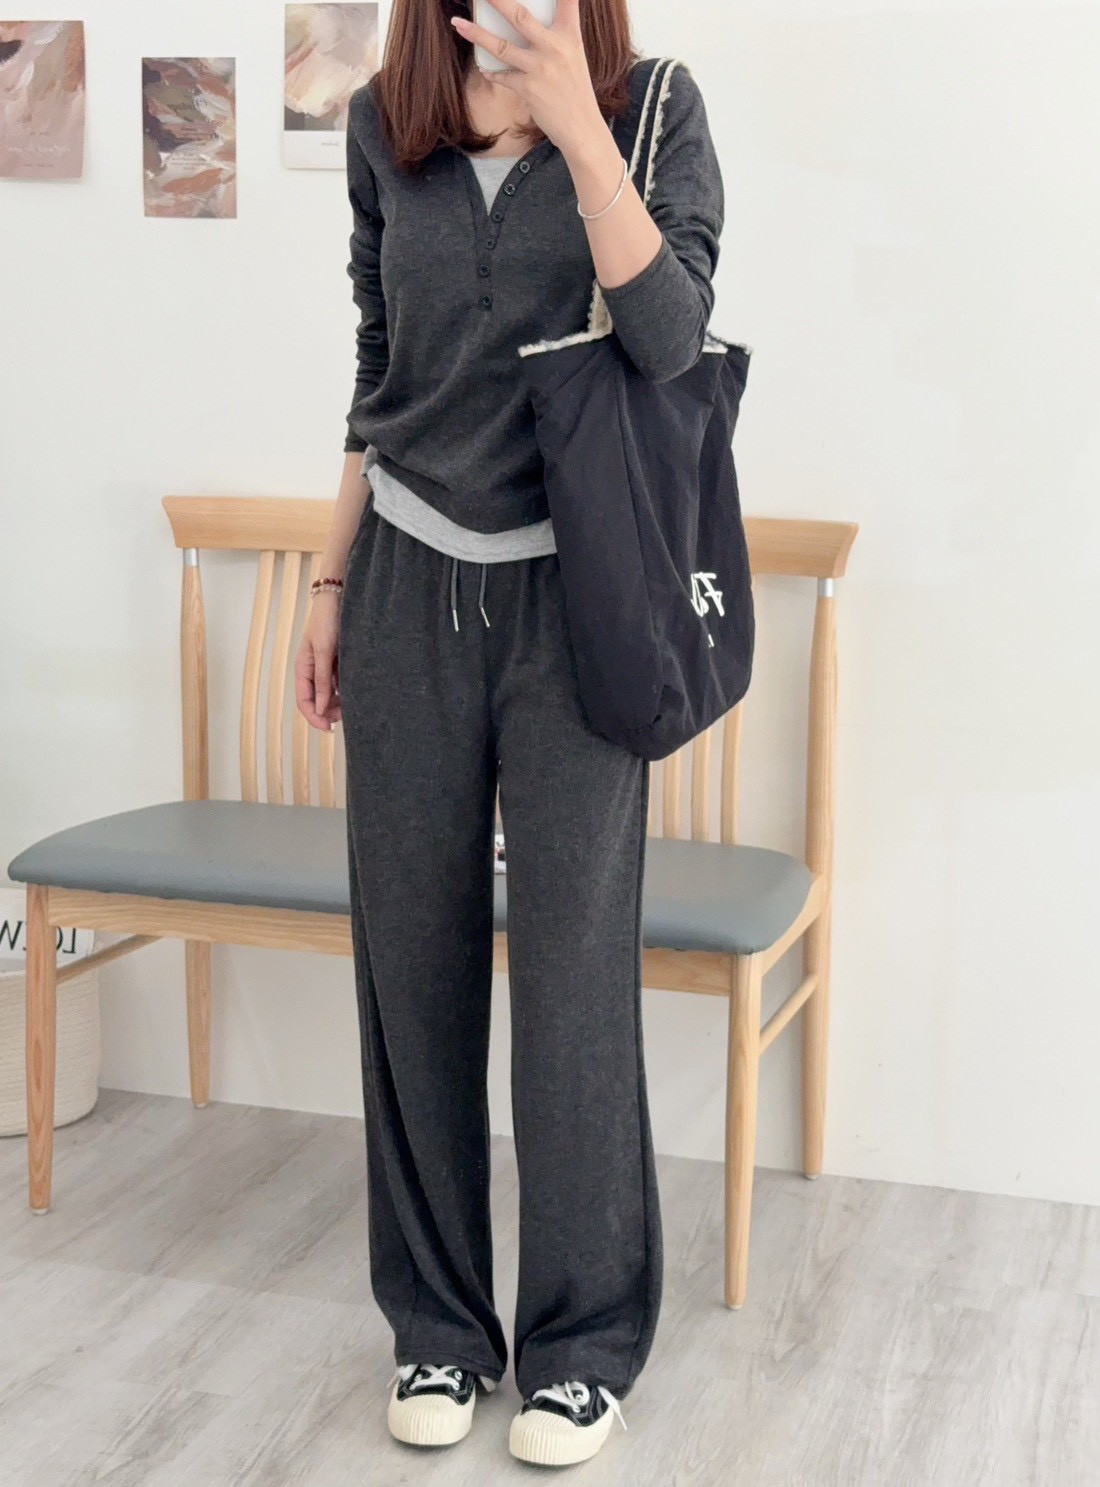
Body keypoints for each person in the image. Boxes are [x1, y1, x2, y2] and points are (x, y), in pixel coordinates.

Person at [295, 0, 724, 1465]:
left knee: (572, 983)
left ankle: (581, 1347)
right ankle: (436, 1329)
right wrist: (329, 584)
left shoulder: (654, 105)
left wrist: (582, 132)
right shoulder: (384, 124)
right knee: (409, 970)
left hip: (578, 601)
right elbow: (379, 372)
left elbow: (671, 344)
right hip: (405, 581)